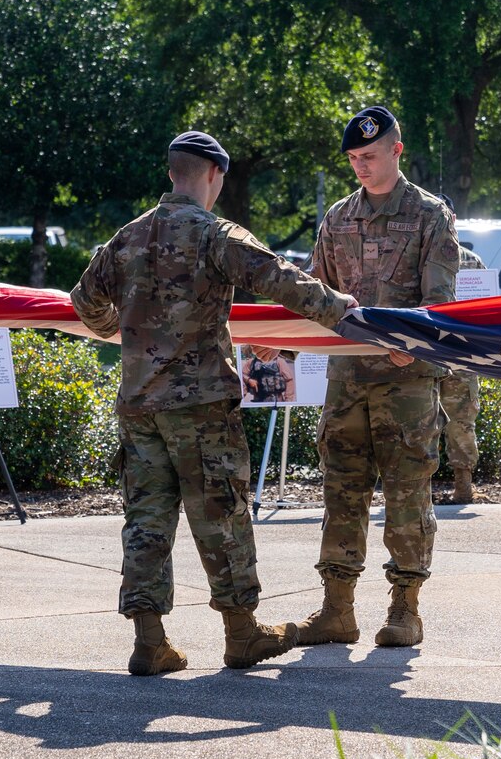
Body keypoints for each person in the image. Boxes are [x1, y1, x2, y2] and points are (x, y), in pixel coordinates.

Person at [71, 131, 356, 676]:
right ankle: (242, 634)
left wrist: (122, 335)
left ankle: (150, 642)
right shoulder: (213, 234)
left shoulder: (126, 238)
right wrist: (344, 310)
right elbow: (281, 280)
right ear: (214, 176)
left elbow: (84, 301)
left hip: (138, 405)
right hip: (200, 407)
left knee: (147, 521)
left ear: (172, 173)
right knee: (221, 515)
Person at [299, 106, 459, 649]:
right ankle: (336, 609)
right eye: (352, 159)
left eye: (369, 156)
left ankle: (404, 609)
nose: (360, 168)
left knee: (407, 494)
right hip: (346, 382)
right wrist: (283, 336)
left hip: (406, 382)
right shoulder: (338, 218)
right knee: (341, 492)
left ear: (396, 149)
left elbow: (440, 302)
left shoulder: (431, 216)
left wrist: (406, 349)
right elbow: (315, 292)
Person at [438, 237, 487, 504]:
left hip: (424, 346)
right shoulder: (471, 260)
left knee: (417, 421)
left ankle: (418, 488)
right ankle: (463, 486)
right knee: (461, 420)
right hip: (461, 350)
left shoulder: (413, 253)